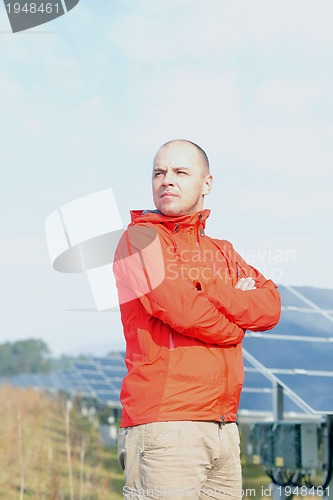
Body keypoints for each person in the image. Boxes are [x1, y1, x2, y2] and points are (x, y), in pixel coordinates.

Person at [113, 139, 281, 500]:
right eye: (159, 172)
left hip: (223, 428)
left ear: (206, 184)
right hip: (166, 427)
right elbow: (184, 311)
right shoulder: (139, 239)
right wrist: (236, 324)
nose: (166, 180)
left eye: (180, 172)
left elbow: (270, 306)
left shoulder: (223, 251)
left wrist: (211, 288)